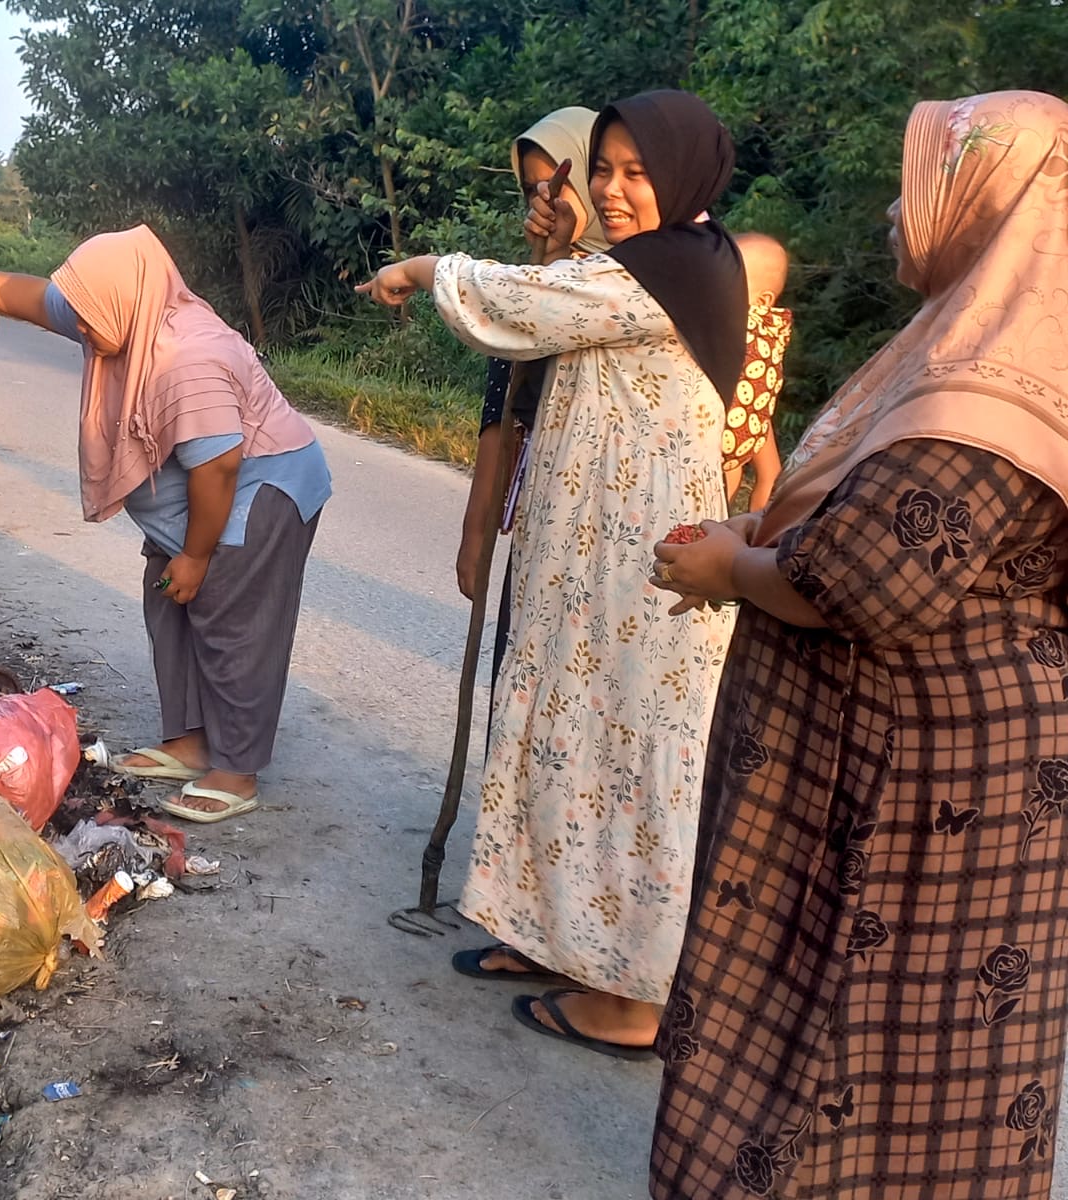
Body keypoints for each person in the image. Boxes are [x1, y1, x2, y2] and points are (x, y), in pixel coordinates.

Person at [649, 91, 1068, 1199]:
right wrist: (754, 532)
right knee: (878, 1042)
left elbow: (872, 576)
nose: (894, 211)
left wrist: (728, 566)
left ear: (991, 199)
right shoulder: (969, 342)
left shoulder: (989, 384)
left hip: (916, 787)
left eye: (919, 184)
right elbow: (852, 519)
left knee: (851, 1032)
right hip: (916, 764)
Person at [361, 90, 748, 1055]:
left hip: (644, 582)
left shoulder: (680, 270)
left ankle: (633, 997)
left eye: (636, 173)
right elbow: (553, 322)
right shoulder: (634, 267)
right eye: (601, 172)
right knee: (560, 744)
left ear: (687, 175)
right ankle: (555, 939)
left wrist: (422, 268)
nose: (614, 193)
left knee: (625, 771)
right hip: (586, 565)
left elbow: (520, 310)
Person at [0, 226, 331, 824]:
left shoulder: (190, 359)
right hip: (198, 499)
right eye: (76, 312)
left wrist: (196, 556)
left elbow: (219, 470)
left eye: (83, 315)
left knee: (232, 619)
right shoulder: (113, 309)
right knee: (170, 604)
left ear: (117, 299)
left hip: (259, 493)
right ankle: (192, 741)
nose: (76, 325)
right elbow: (30, 297)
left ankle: (236, 767)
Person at [456, 107, 612, 709]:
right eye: (533, 189)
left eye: (561, 180)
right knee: (522, 686)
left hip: (610, 531)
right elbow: (501, 416)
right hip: (542, 521)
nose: (546, 198)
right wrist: (475, 535)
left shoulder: (635, 283)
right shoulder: (534, 285)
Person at [722, 232, 792, 510]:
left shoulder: (737, 318)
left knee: (730, 469)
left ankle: (710, 522)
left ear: (762, 300)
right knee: (765, 474)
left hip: (723, 423)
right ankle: (750, 531)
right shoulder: (776, 324)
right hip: (754, 418)